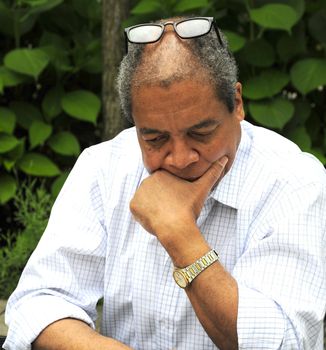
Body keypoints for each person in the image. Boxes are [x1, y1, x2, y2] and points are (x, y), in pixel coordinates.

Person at [4, 16, 326, 350]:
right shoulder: (103, 168)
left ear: (238, 103)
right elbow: (37, 305)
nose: (180, 157)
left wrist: (180, 236)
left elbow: (285, 343)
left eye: (201, 133)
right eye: (155, 138)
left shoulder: (293, 181)